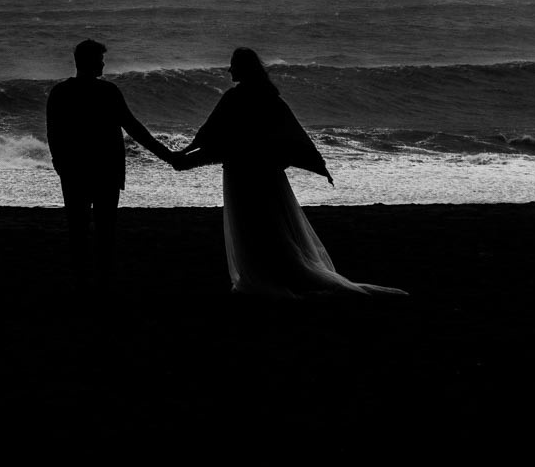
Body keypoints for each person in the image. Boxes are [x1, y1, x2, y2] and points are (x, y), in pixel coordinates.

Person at [170, 47, 404, 299]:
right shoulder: (270, 98)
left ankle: (262, 275)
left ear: (243, 68)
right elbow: (293, 133)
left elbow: (210, 134)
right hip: (267, 173)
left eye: (233, 65)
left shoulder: (234, 98)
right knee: (271, 224)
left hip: (241, 174)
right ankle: (278, 273)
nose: (229, 70)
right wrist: (318, 164)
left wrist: (184, 153)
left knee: (250, 225)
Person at [46, 39, 178, 283]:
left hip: (74, 169)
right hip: (106, 169)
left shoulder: (60, 92)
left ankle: (83, 280)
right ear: (89, 62)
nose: (103, 64)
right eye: (100, 60)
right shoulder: (107, 91)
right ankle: (103, 280)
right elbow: (134, 128)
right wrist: (168, 155)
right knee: (105, 228)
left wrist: (59, 161)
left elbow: (53, 132)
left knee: (78, 228)